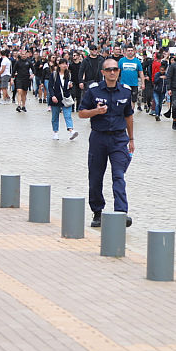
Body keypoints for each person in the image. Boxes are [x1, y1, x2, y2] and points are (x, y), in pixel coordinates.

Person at [77, 57, 134, 229]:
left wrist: (131, 139)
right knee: (95, 177)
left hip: (118, 139)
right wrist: (96, 111)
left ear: (118, 72)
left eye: (115, 69)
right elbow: (81, 113)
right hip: (98, 138)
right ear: (103, 73)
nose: (112, 72)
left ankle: (120, 213)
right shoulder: (94, 91)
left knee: (118, 175)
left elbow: (129, 115)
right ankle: (98, 212)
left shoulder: (125, 91)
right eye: (108, 70)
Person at [48, 60, 79, 141]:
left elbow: (69, 86)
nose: (64, 65)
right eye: (63, 64)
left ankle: (71, 130)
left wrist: (70, 86)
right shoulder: (54, 74)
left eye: (66, 64)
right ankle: (55, 132)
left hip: (66, 98)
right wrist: (52, 96)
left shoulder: (68, 74)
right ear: (59, 65)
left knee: (67, 115)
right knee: (55, 116)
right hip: (56, 98)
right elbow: (50, 86)